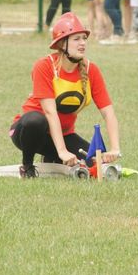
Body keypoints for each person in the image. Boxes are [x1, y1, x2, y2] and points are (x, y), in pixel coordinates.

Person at [10, 12, 121, 178]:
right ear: (62, 44)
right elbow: (50, 112)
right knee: (35, 121)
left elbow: (108, 112)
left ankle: (51, 158)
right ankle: (27, 166)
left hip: (63, 135)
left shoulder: (92, 70)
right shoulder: (44, 66)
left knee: (97, 166)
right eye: (76, 39)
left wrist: (114, 148)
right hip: (28, 132)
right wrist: (62, 151)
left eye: (84, 38)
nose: (83, 43)